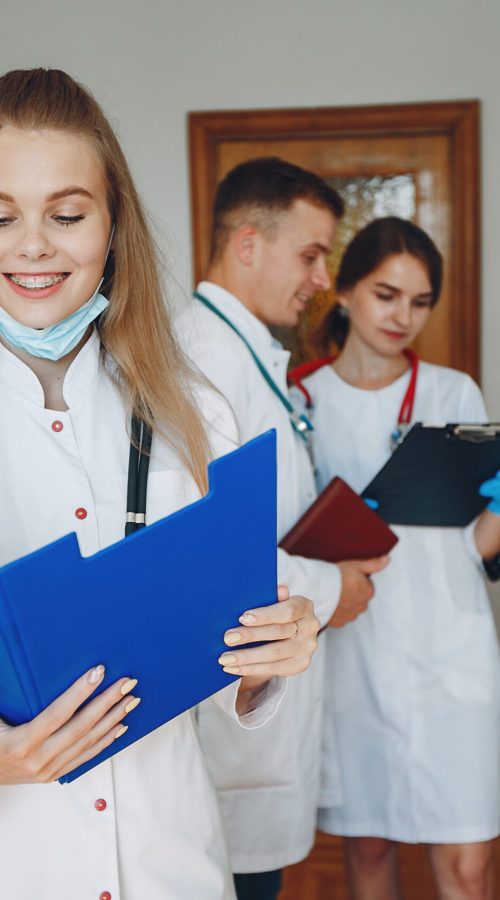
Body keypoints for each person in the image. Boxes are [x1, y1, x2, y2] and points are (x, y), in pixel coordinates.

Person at [0, 69, 321, 900]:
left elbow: (222, 681)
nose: (32, 245)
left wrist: (263, 662)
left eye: (66, 215)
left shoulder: (193, 411)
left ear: (113, 226)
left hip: (173, 859)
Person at [176, 157, 389, 900]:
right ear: (246, 244)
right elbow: (203, 555)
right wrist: (337, 588)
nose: (322, 278)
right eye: (309, 253)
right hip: (229, 727)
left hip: (264, 709)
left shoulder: (247, 353)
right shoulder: (199, 361)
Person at [291, 216, 500, 900]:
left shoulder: (454, 393)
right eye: (386, 294)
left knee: (470, 864)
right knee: (371, 843)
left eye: (419, 301)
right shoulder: (300, 399)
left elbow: (471, 545)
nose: (403, 316)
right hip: (355, 654)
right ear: (344, 291)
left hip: (453, 646)